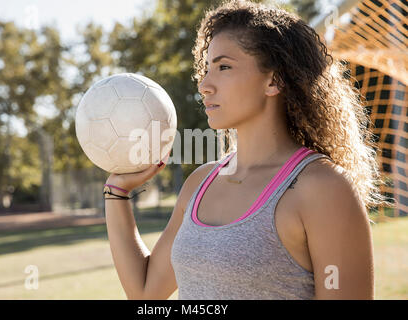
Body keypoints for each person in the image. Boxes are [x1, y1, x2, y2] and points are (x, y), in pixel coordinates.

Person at [103, 0, 393, 300]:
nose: (204, 85)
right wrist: (116, 193)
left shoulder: (323, 189)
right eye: (206, 69)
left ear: (274, 80)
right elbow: (145, 292)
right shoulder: (199, 184)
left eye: (224, 67)